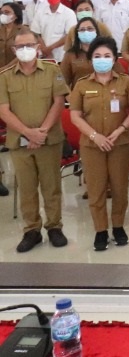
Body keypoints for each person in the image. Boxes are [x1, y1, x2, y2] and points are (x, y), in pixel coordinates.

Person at [0, 28, 70, 252]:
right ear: (13, 49)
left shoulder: (52, 70)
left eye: (29, 45)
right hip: (19, 141)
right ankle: (32, 230)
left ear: (38, 47)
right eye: (20, 47)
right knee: (27, 188)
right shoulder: (5, 76)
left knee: (52, 186)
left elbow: (59, 103)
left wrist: (41, 132)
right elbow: (4, 111)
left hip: (49, 140)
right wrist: (28, 133)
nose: (25, 50)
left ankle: (54, 227)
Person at [68, 36, 129, 251]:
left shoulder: (125, 81)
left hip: (120, 143)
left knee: (119, 187)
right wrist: (94, 136)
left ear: (114, 58)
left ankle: (118, 226)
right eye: (97, 56)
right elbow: (75, 115)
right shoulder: (82, 85)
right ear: (91, 60)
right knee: (96, 188)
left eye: (106, 56)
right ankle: (100, 230)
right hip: (92, 146)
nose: (102, 60)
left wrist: (119, 130)